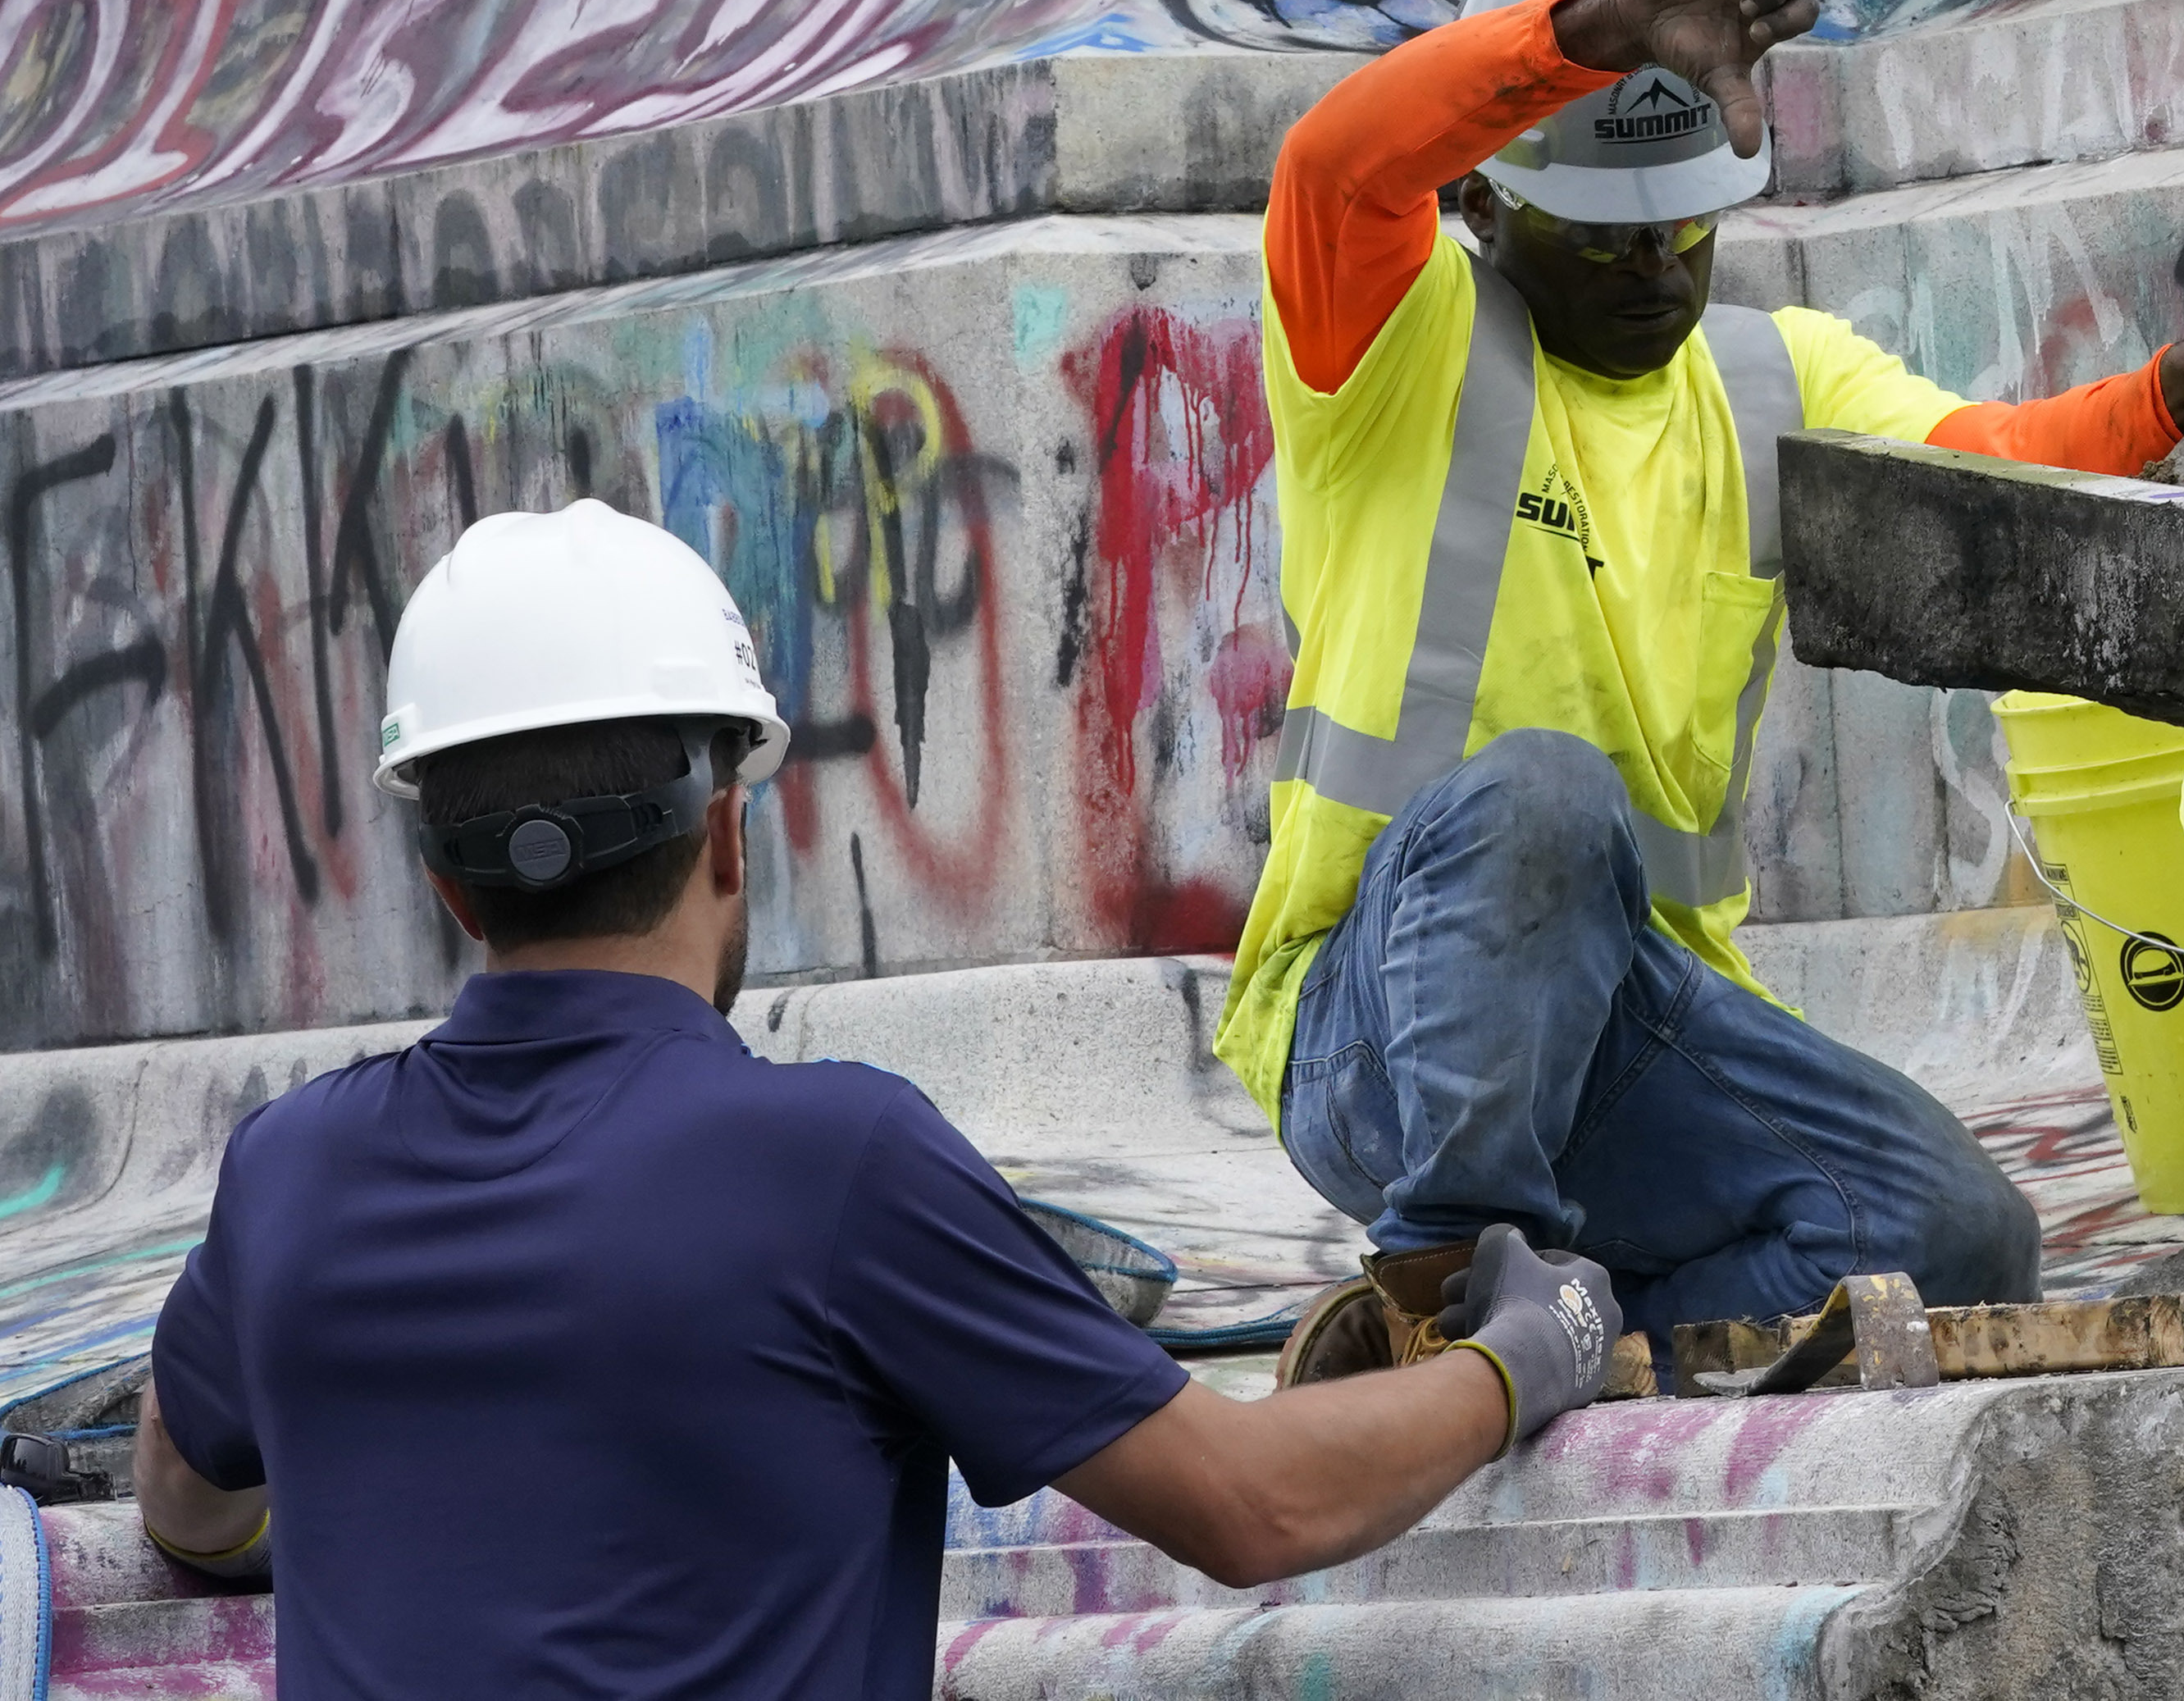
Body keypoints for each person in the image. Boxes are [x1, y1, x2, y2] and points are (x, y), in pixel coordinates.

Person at [129, 499, 1622, 1699]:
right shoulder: (831, 1165)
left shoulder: (288, 1177)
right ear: (727, 825)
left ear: (447, 883)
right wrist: (1526, 1353)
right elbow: (1253, 1506)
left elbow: (185, 1503)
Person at [1224, 0, 2184, 1377]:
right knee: (1547, 791)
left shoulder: (1769, 380)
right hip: (1379, 1027)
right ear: (1486, 207)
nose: (1656, 264)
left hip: (1636, 1020)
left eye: (1687, 225)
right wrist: (1586, 31)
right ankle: (1444, 1283)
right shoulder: (1395, 339)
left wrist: (2167, 390)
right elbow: (1335, 162)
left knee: (1959, 1232)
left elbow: (1983, 455)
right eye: (1608, 234)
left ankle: (1555, 1340)